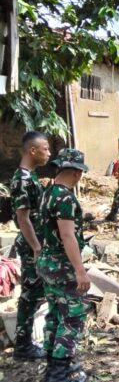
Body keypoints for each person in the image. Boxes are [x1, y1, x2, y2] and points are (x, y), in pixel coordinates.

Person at [37, 148, 91, 382]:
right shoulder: (65, 198)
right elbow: (67, 235)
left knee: (55, 315)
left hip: (47, 263)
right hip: (62, 266)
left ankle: (54, 368)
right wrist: (80, 271)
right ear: (77, 173)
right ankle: (59, 379)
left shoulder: (47, 193)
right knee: (72, 318)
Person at [10, 131, 50, 360]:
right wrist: (36, 247)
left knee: (34, 293)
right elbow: (23, 219)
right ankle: (23, 345)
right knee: (31, 294)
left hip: (37, 242)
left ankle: (25, 342)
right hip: (31, 245)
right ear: (32, 151)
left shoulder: (30, 176)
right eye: (45, 148)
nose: (49, 153)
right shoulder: (23, 180)